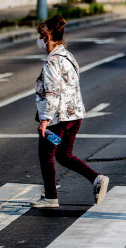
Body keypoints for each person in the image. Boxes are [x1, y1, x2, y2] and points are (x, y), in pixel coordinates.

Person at [30, 15, 109, 208]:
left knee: (46, 155)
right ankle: (96, 179)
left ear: (47, 38)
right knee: (64, 155)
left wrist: (45, 120)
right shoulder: (68, 56)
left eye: (41, 36)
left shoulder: (52, 62)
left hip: (58, 120)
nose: (39, 41)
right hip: (74, 117)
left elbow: (52, 92)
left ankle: (51, 198)